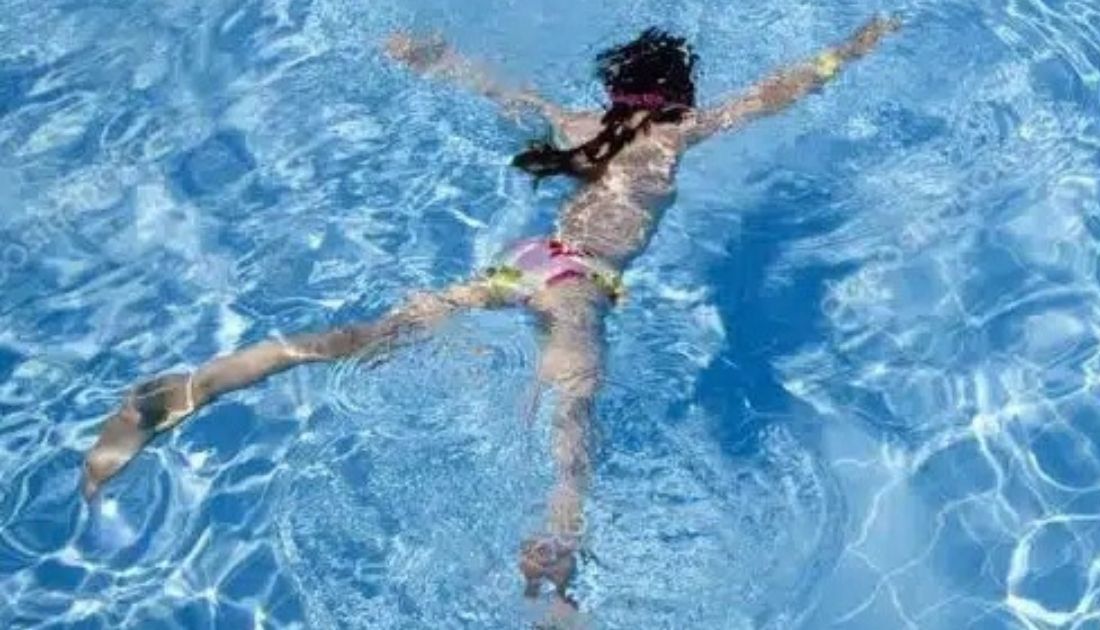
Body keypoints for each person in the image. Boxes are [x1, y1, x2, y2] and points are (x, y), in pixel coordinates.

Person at [82, 16, 900, 612]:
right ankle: (555, 565)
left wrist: (427, 57)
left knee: (369, 337)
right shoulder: (680, 131)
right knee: (571, 419)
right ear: (677, 94)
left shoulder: (578, 123)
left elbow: (494, 86)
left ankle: (198, 385)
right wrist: (853, 48)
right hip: (580, 283)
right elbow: (777, 92)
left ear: (615, 88)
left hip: (526, 262)